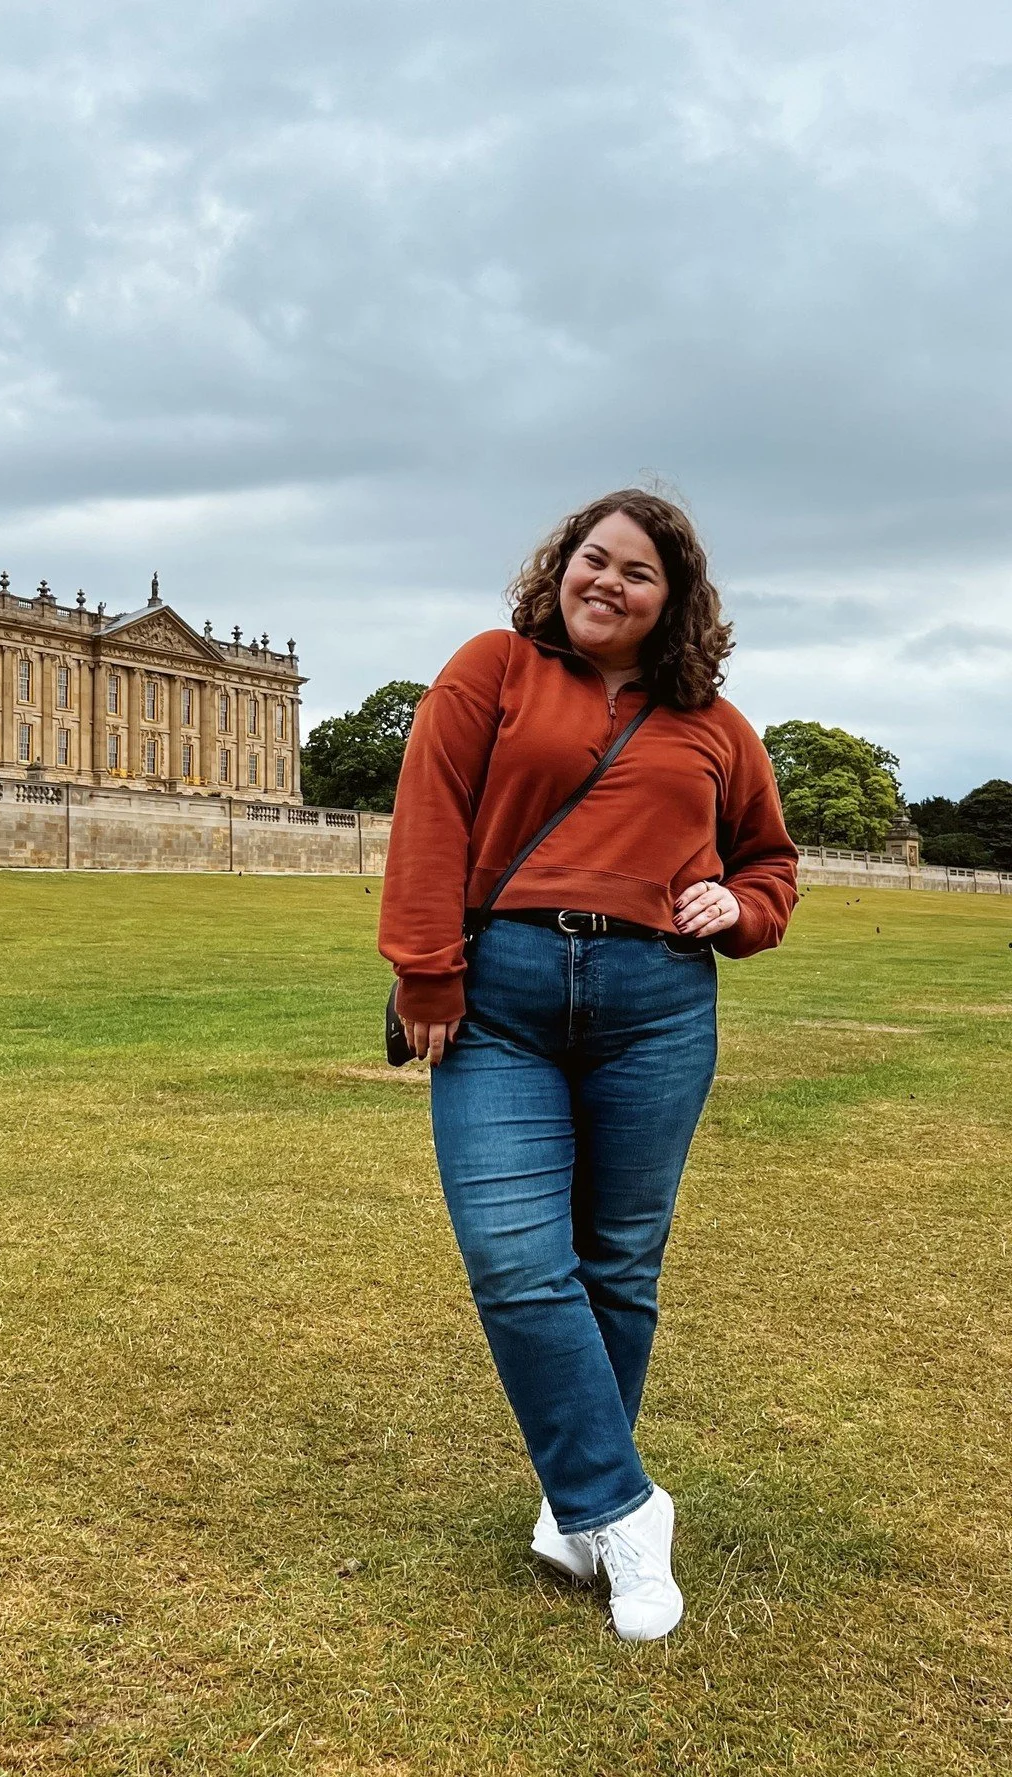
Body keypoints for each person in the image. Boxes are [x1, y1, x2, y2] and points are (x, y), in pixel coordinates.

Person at [378, 490, 799, 1641]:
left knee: (618, 1259)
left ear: (675, 601)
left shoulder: (714, 722)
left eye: (638, 572)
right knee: (516, 1257)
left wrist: (743, 903)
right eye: (593, 559)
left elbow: (770, 861)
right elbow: (431, 816)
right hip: (499, 993)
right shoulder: (495, 668)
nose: (608, 582)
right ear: (561, 566)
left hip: (657, 1001)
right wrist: (426, 971)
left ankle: (578, 1517)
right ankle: (626, 1505)